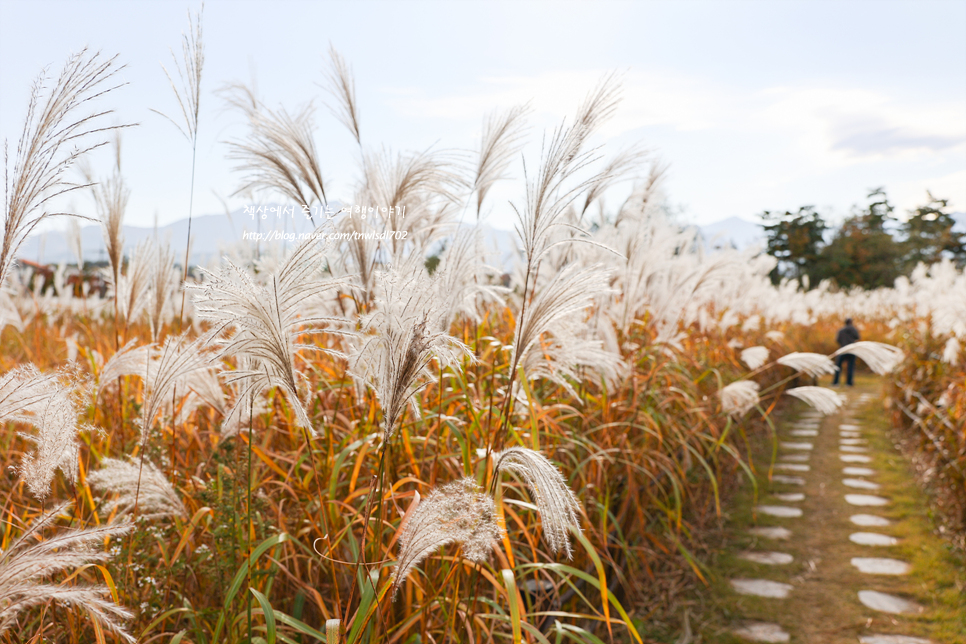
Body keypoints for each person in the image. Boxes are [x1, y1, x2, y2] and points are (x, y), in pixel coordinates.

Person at [833, 318, 860, 386]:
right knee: (850, 367)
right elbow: (857, 337)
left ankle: (836, 382)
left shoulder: (841, 330)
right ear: (851, 322)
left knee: (838, 367)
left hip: (842, 349)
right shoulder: (854, 329)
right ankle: (849, 383)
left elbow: (837, 339)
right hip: (852, 350)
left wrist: (842, 343)